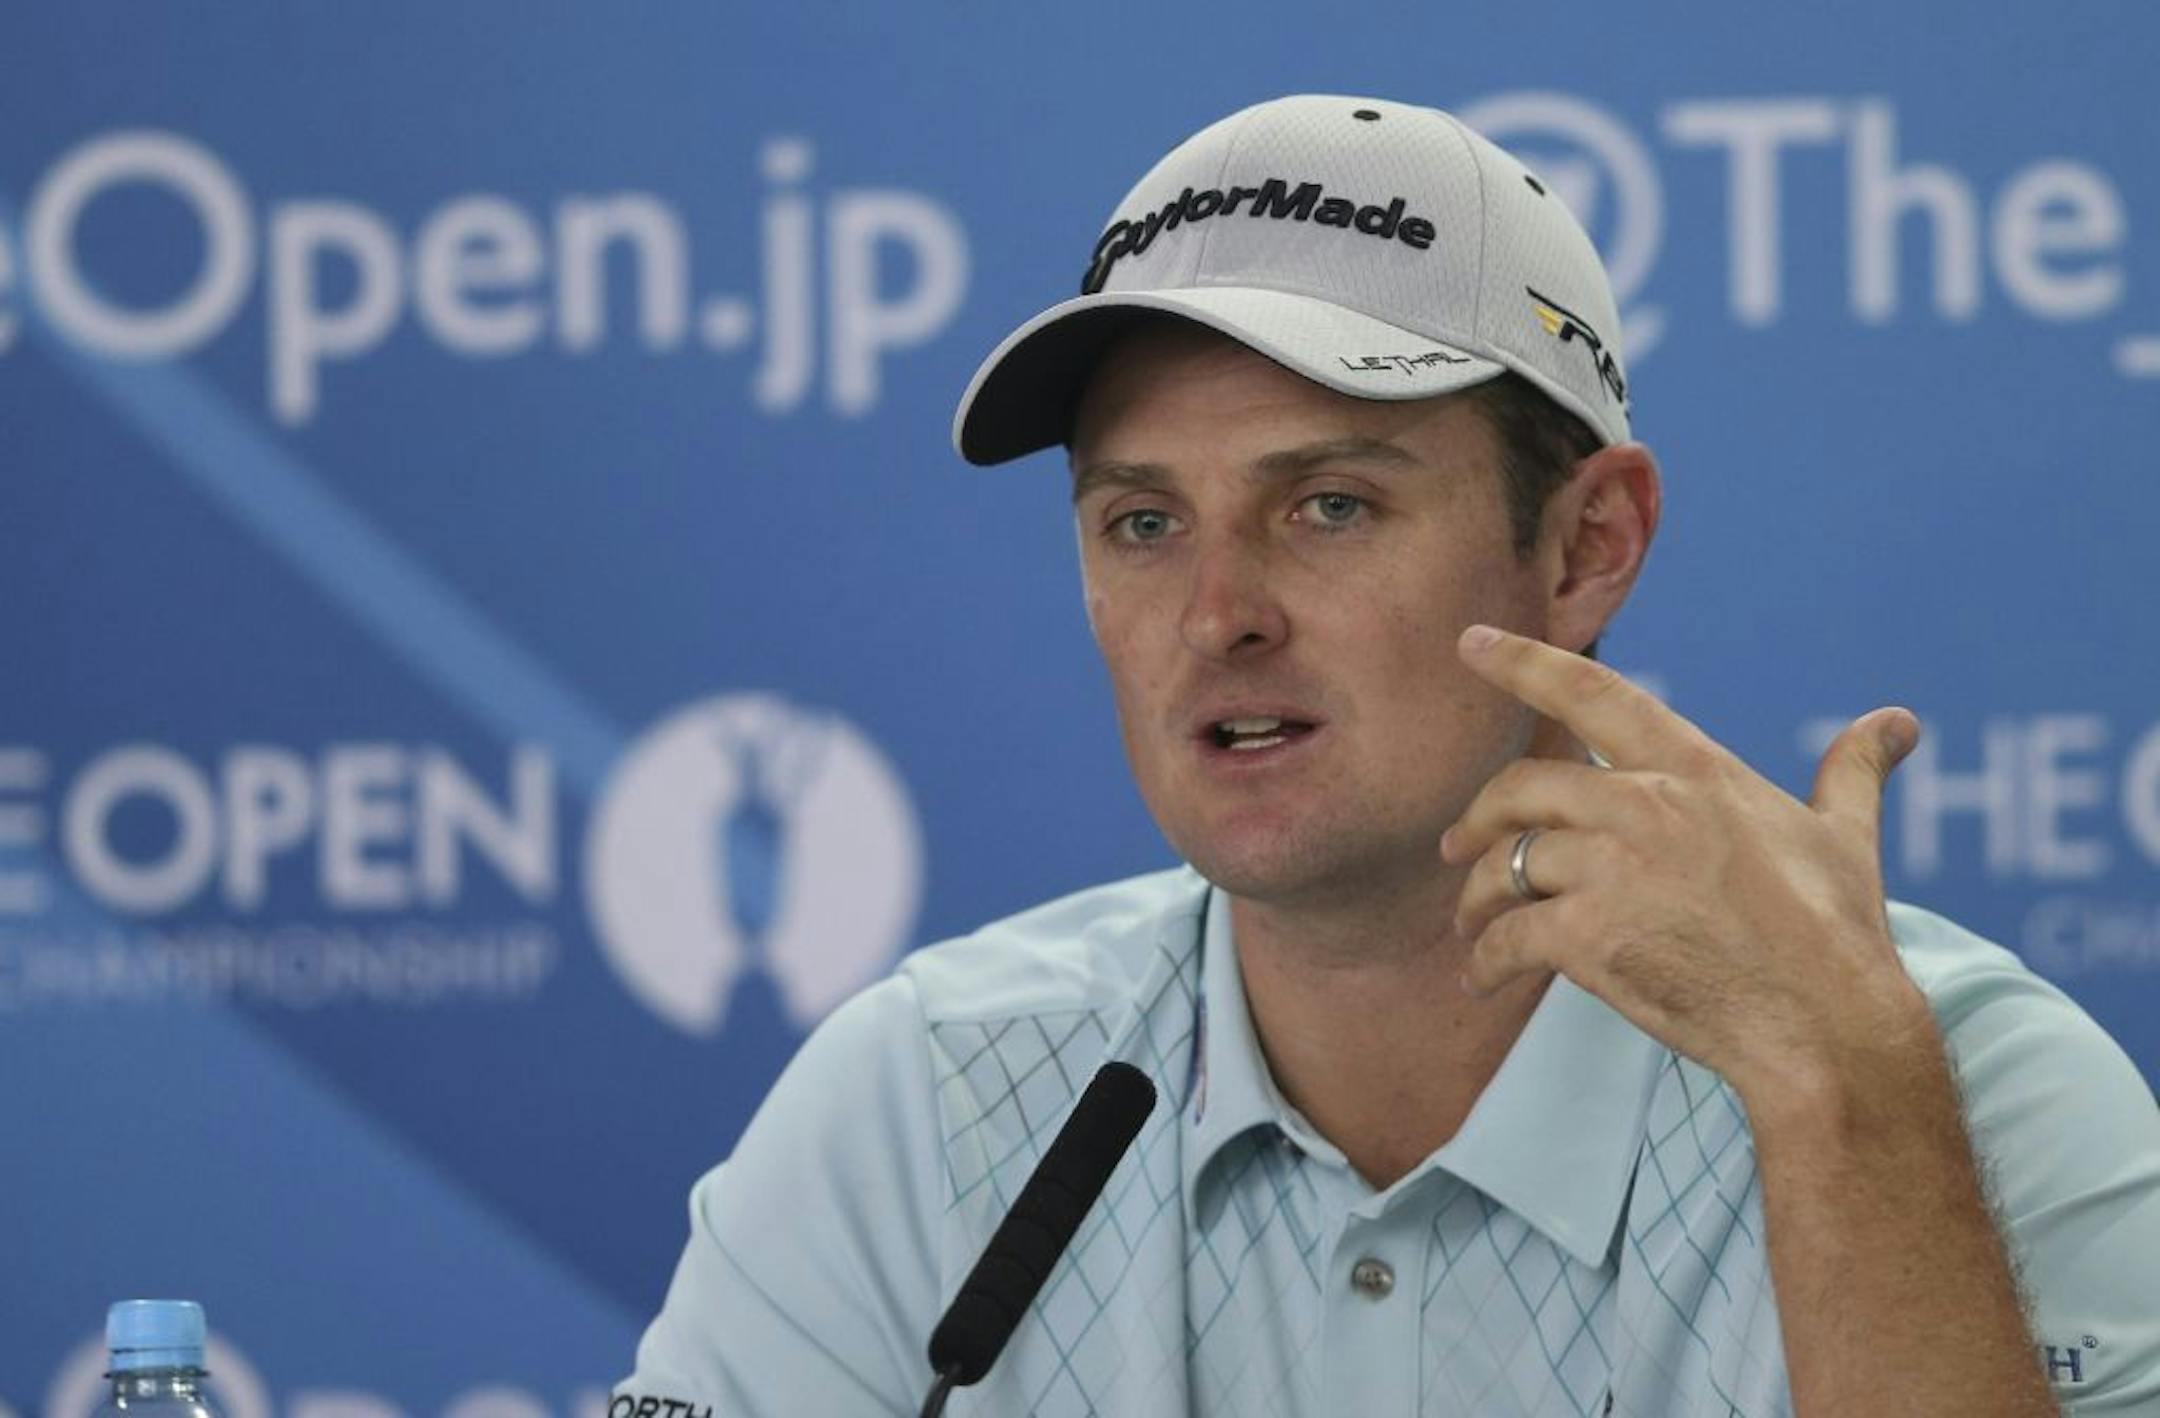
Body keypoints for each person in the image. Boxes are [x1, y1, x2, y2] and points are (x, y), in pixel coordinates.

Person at [613, 95, 2160, 1415]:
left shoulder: (1950, 1087)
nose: (1217, 616)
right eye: (1142, 523)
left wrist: (1848, 1105)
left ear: (1584, 546)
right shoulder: (923, 1103)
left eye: (1328, 504)